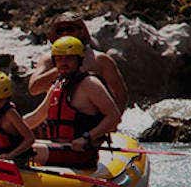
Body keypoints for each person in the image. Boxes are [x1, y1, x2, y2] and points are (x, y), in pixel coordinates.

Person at [24, 36, 123, 168]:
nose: (63, 63)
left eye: (69, 58)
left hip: (80, 152)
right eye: (59, 59)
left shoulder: (90, 84)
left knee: (27, 150)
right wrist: (8, 127)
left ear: (79, 60)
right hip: (58, 147)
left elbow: (114, 116)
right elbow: (38, 116)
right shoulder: (58, 85)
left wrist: (87, 138)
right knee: (15, 146)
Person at [28, 12, 129, 109]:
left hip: (93, 121)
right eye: (60, 30)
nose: (65, 33)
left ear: (81, 31)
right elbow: (33, 89)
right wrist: (59, 69)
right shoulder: (48, 59)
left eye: (70, 29)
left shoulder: (100, 60)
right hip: (60, 119)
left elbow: (120, 94)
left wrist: (113, 123)